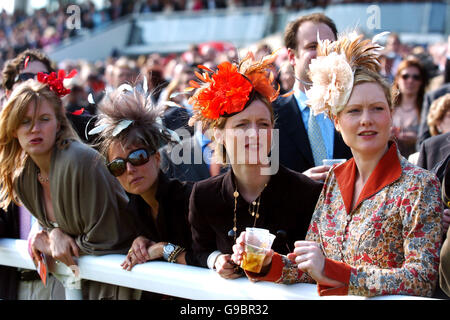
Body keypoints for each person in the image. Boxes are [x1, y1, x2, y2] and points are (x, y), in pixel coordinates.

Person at [232, 33, 443, 297]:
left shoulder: (420, 185)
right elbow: (311, 268)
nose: (367, 120)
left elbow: (422, 278)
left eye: (377, 108)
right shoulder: (334, 180)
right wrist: (267, 262)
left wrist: (333, 271)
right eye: (354, 111)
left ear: (391, 116)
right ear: (337, 122)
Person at [0, 76, 139, 300]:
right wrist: (52, 233)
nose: (35, 129)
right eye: (25, 121)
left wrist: (54, 242)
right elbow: (57, 233)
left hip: (121, 282)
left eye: (44, 119)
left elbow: (109, 236)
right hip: (75, 284)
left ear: (59, 124)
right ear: (13, 129)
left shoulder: (79, 160)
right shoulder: (22, 176)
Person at [187, 52, 323, 279]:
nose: (255, 134)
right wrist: (216, 259)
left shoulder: (306, 192)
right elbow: (198, 250)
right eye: (241, 125)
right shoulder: (203, 196)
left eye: (263, 124)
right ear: (218, 134)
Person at [91, 83, 198, 270]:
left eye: (137, 157)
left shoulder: (190, 199)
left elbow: (207, 259)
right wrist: (143, 241)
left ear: (157, 158)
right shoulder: (132, 209)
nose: (130, 169)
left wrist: (163, 249)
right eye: (117, 166)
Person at [274, 13, 352, 181]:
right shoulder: (269, 115)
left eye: (330, 46)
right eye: (312, 46)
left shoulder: (354, 108)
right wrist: (297, 185)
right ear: (292, 57)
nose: (323, 52)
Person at [391, 57, 428, 158]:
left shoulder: (428, 107)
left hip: (419, 161)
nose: (410, 80)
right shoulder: (388, 105)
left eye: (416, 77)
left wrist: (417, 138)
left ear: (421, 81)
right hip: (391, 160)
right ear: (397, 79)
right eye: (405, 76)